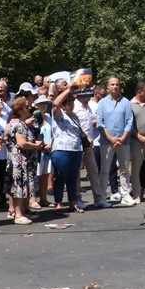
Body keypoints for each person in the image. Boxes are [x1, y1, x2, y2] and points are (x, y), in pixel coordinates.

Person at [46, 84, 88, 214]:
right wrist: (68, 90)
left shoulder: (75, 116)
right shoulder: (59, 114)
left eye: (72, 103)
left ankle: (72, 202)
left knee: (73, 178)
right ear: (63, 106)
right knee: (61, 177)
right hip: (61, 149)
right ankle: (58, 202)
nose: (71, 105)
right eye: (68, 103)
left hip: (76, 149)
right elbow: (55, 104)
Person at [5, 96, 43, 225]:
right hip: (19, 161)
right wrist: (36, 146)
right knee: (19, 188)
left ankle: (22, 212)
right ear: (20, 110)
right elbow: (22, 143)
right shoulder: (18, 124)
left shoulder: (19, 122)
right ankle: (18, 215)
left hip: (23, 160)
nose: (29, 108)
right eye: (27, 107)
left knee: (23, 188)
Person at [95, 76, 134, 204]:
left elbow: (130, 121)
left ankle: (125, 194)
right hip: (107, 141)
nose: (115, 86)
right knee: (104, 170)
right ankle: (102, 196)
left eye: (117, 84)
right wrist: (110, 138)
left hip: (123, 141)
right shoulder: (102, 103)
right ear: (108, 86)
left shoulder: (126, 102)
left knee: (124, 169)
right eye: (112, 84)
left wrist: (123, 137)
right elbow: (100, 122)